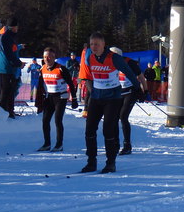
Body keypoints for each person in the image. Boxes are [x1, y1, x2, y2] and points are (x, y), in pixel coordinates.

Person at [79, 32, 139, 173]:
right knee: (89, 130)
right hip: (96, 98)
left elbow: (129, 72)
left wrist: (138, 89)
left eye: (97, 44)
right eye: (92, 44)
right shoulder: (89, 56)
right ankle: (91, 161)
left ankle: (110, 162)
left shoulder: (114, 58)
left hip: (112, 99)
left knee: (108, 130)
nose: (94, 47)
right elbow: (87, 76)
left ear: (103, 45)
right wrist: (89, 89)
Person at [38, 47, 78, 152]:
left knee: (58, 120)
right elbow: (40, 85)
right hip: (49, 97)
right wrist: (39, 99)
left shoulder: (61, 69)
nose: (47, 59)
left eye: (49, 57)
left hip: (60, 97)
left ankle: (59, 144)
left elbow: (71, 84)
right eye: (45, 57)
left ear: (54, 57)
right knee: (45, 120)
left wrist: (74, 99)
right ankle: (47, 144)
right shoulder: (42, 68)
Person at [109, 47, 146, 155]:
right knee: (114, 118)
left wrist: (145, 91)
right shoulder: (110, 63)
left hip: (131, 92)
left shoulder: (129, 62)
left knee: (123, 117)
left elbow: (141, 76)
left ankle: (127, 145)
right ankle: (115, 144)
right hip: (118, 93)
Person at [0, 18, 24, 118]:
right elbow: (9, 54)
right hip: (6, 68)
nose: (17, 29)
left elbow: (12, 51)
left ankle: (9, 111)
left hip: (7, 68)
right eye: (16, 27)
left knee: (10, 90)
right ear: (13, 27)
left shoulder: (8, 37)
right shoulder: (6, 37)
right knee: (7, 91)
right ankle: (5, 112)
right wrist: (18, 63)